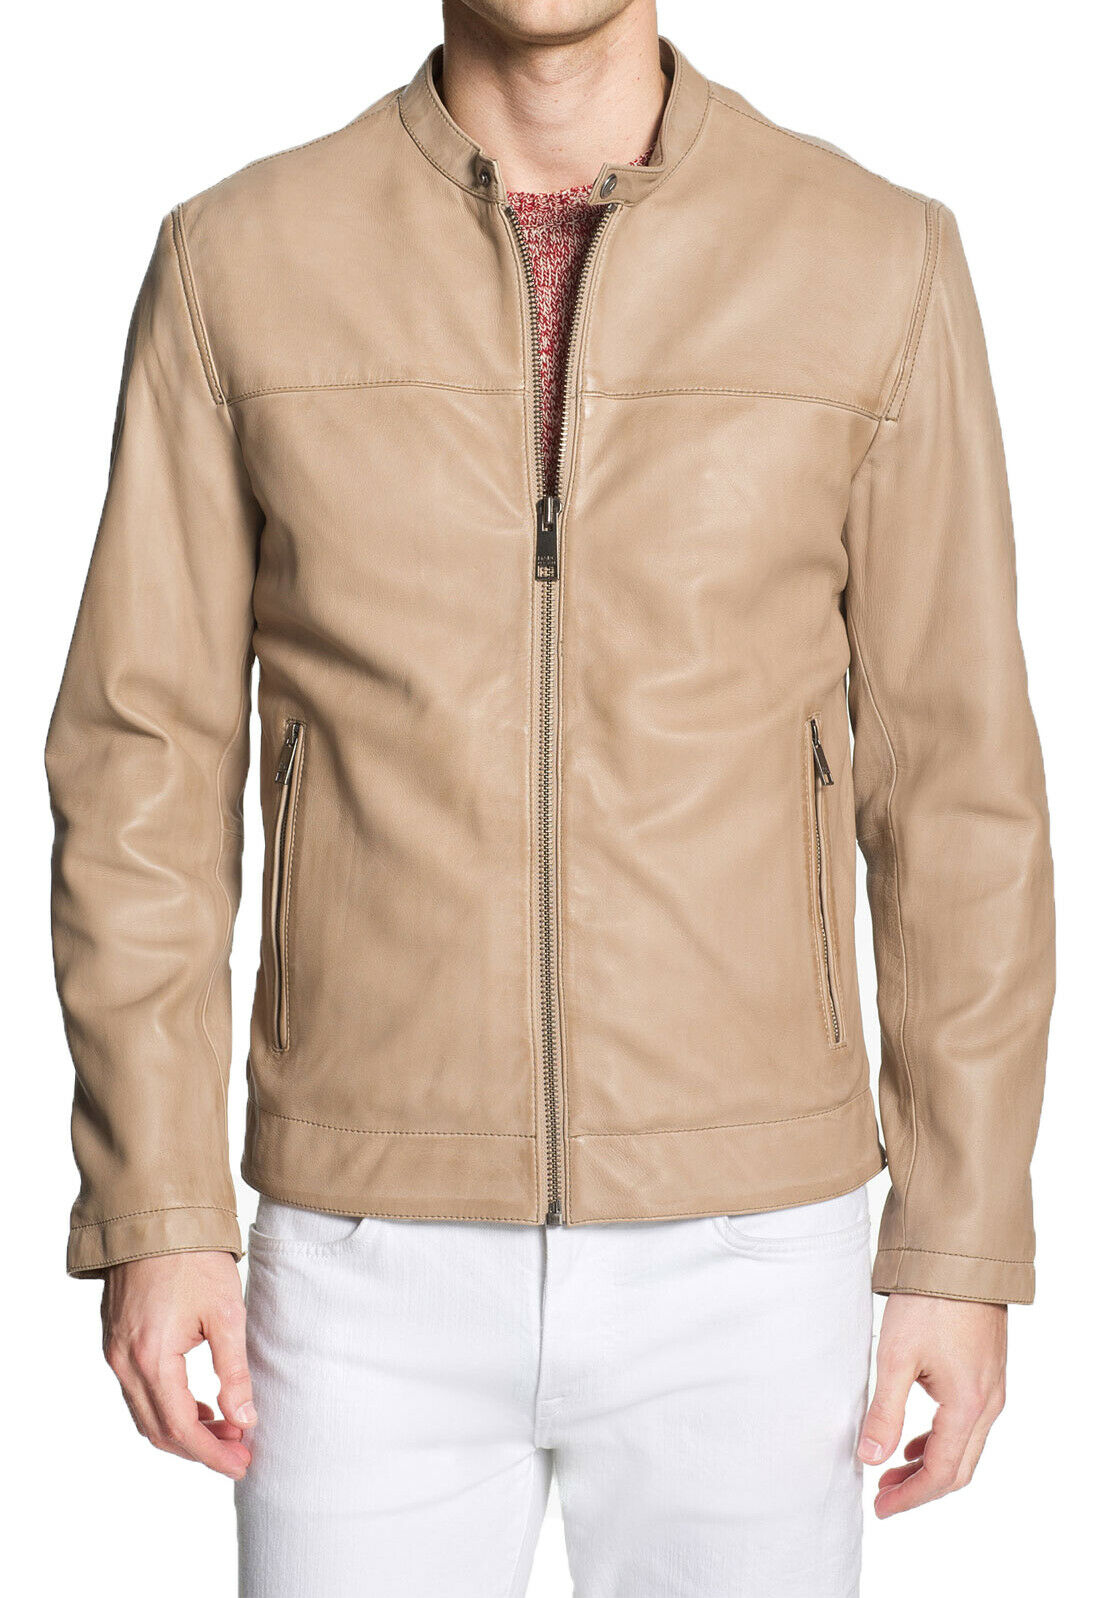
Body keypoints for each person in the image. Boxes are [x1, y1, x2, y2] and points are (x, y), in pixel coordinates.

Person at [46, 2, 1055, 1593]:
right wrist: (156, 1201)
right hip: (360, 1248)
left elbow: (959, 785)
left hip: (753, 1248)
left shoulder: (874, 260)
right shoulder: (238, 262)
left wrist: (959, 1232)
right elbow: (140, 765)